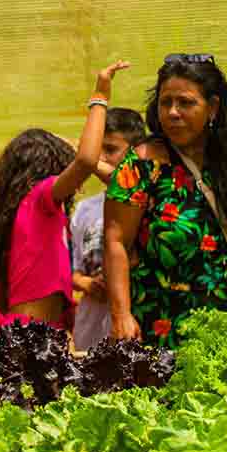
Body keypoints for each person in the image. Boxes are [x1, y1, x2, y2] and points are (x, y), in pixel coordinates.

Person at [104, 54, 227, 348]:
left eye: (185, 103)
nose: (173, 113)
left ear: (213, 107)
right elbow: (116, 243)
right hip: (160, 330)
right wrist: (121, 315)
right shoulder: (141, 166)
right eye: (166, 103)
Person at [0, 60, 131, 331]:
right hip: (31, 334)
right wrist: (100, 96)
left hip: (38, 331)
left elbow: (123, 184)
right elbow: (86, 160)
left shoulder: (34, 210)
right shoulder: (39, 199)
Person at [70, 108, 146, 351]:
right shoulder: (83, 209)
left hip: (137, 326)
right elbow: (69, 269)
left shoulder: (148, 203)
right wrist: (87, 284)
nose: (99, 158)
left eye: (111, 149)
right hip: (90, 331)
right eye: (96, 148)